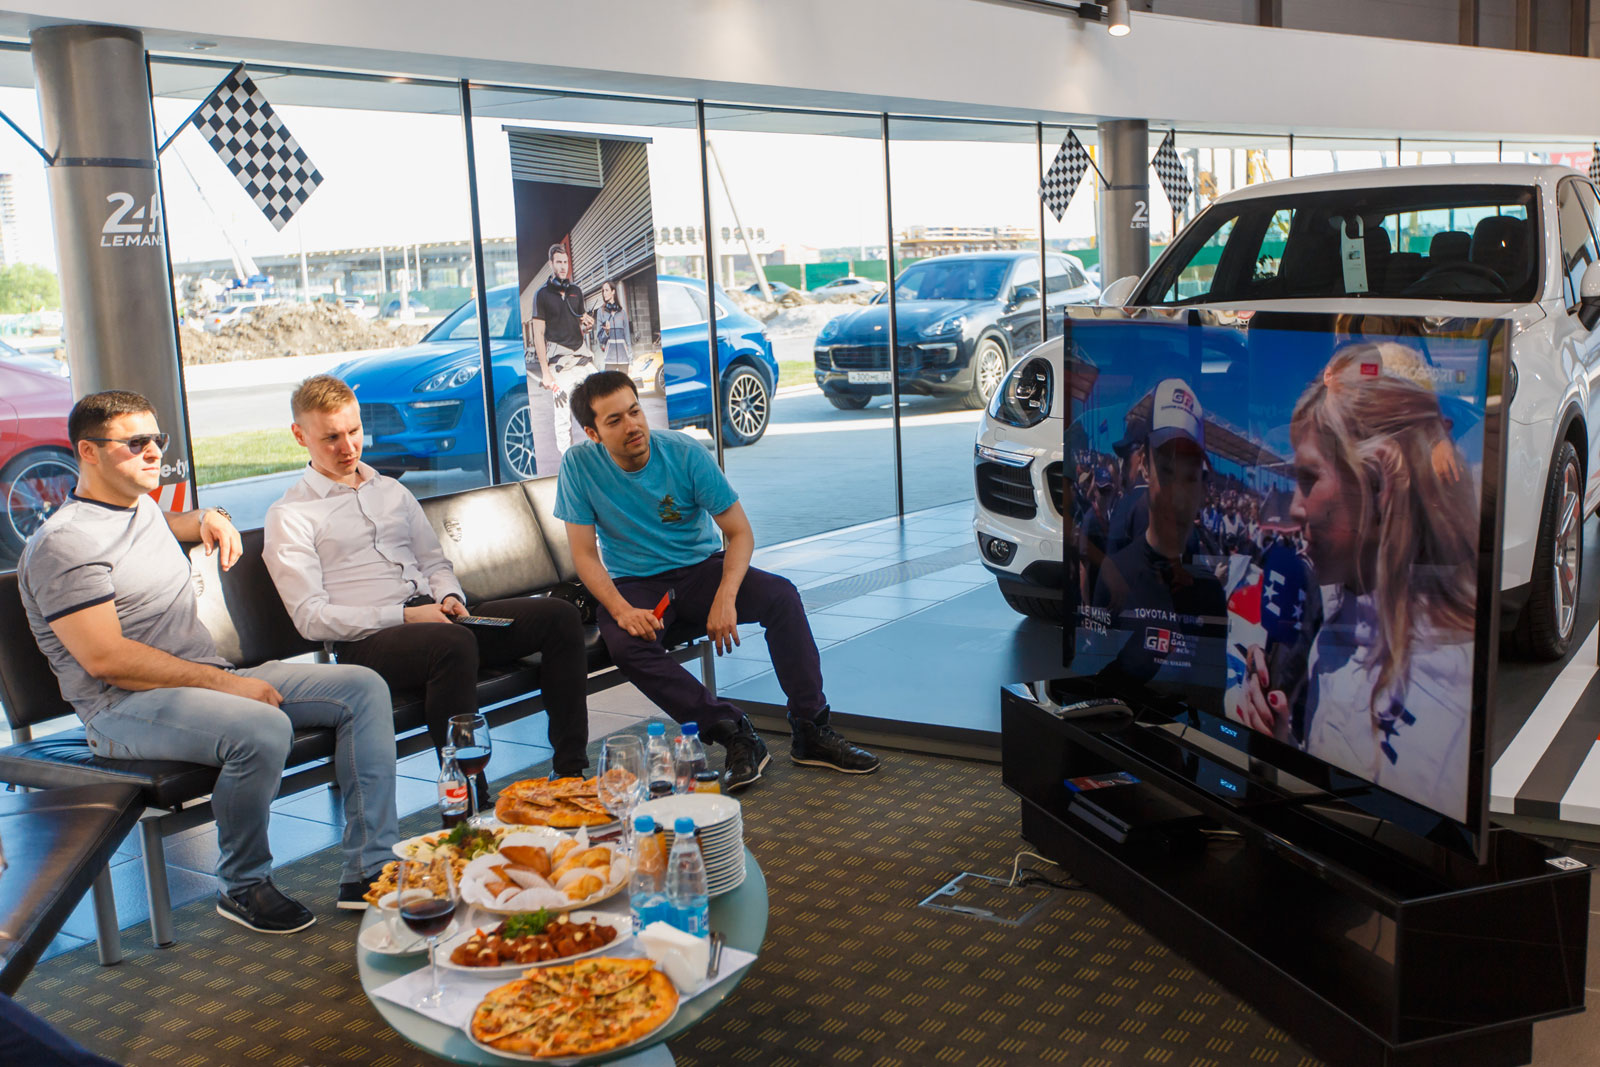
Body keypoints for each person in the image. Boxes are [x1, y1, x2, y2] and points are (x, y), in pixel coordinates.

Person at [17, 391, 398, 932]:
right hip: (122, 707)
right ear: (88, 452)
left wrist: (209, 517)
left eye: (157, 439)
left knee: (363, 687)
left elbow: (172, 522)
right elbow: (106, 660)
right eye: (136, 443)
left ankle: (370, 869)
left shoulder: (139, 507)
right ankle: (243, 884)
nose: (154, 452)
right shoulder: (65, 545)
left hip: (201, 681)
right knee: (262, 727)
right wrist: (227, 686)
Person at [263, 375, 592, 798]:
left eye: (354, 431)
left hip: (437, 620)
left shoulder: (392, 491)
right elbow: (311, 618)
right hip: (369, 643)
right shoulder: (291, 515)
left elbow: (435, 562)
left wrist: (450, 596)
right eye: (331, 438)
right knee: (451, 644)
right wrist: (404, 616)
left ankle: (571, 775)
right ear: (299, 435)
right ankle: (470, 799)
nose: (348, 447)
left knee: (559, 617)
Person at [552, 371, 881, 791]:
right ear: (593, 433)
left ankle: (811, 729)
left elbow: (739, 533)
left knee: (781, 596)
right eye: (615, 420)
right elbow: (583, 553)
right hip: (637, 584)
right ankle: (732, 730)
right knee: (627, 645)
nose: (632, 425)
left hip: (701, 569)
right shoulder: (579, 465)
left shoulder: (684, 453)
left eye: (635, 411)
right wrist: (620, 609)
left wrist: (726, 597)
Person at [1233, 346, 1477, 820]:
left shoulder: (1452, 691)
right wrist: (1280, 744)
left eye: (1309, 478)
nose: (1295, 507)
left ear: (1378, 486)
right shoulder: (1336, 628)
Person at [1090, 379, 1227, 710]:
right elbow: (1094, 685)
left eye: (1190, 477)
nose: (1177, 496)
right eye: (1167, 471)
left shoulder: (1210, 595)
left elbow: (1211, 704)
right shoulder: (1115, 575)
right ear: (1146, 467)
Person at [529, 244, 601, 455]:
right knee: (563, 418)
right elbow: (538, 335)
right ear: (551, 264)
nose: (563, 266)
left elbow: (578, 325)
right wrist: (545, 373)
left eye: (565, 262)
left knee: (602, 401)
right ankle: (567, 461)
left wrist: (587, 326)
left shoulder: (576, 291)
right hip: (559, 365)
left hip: (582, 359)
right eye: (559, 262)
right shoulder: (541, 295)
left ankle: (603, 454)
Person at [593, 279, 633, 370]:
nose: (604, 293)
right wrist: (606, 332)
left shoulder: (622, 313)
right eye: (603, 291)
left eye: (607, 290)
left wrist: (630, 360)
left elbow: (627, 338)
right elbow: (600, 340)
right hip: (609, 360)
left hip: (624, 359)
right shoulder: (601, 312)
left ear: (613, 291)